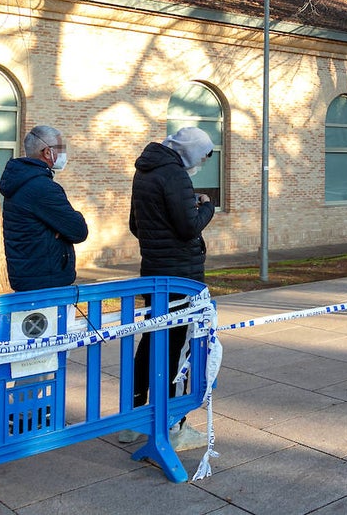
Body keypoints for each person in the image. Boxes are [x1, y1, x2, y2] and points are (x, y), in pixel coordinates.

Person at [125, 126, 217, 450]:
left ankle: (133, 419)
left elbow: (136, 225)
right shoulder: (175, 175)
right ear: (191, 152)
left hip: (153, 272)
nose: (203, 162)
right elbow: (189, 227)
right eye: (204, 155)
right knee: (176, 349)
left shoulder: (144, 172)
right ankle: (173, 426)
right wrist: (207, 206)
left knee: (150, 342)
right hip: (181, 276)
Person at [0, 125, 89, 291]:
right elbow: (78, 230)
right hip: (46, 281)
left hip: (28, 275)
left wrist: (59, 228)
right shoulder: (42, 187)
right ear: (47, 152)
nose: (64, 154)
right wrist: (62, 227)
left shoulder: (22, 181)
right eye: (61, 149)